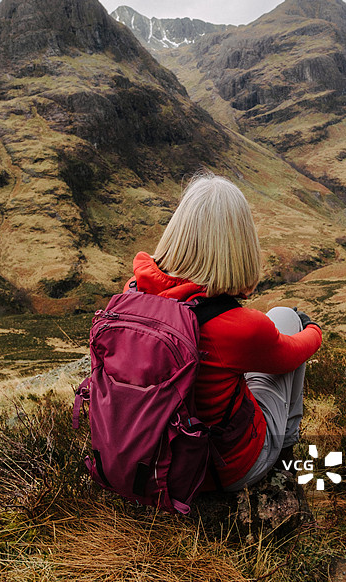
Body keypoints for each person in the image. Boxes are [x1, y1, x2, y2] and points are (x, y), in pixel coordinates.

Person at [123, 171, 322, 491]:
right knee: (285, 317)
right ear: (238, 244)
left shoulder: (132, 294)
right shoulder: (237, 327)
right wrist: (312, 328)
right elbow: (294, 353)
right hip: (222, 470)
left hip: (151, 459)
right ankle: (285, 453)